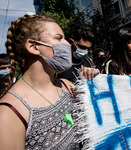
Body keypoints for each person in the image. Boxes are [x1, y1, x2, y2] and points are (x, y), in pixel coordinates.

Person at [0, 14, 80, 149]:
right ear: (33, 46)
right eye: (59, 38)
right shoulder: (9, 113)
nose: (67, 44)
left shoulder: (68, 86)